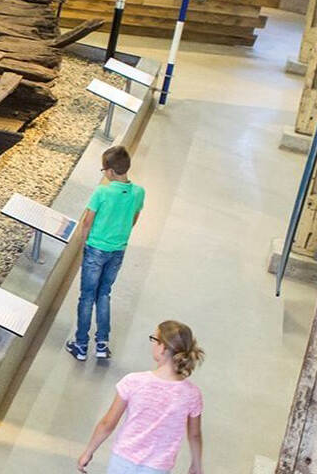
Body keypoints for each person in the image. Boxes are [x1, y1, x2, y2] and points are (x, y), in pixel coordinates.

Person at [77, 320, 205, 474]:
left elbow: (108, 423)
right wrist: (196, 465)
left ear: (163, 347)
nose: (152, 344)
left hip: (122, 461)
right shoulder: (192, 394)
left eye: (154, 339)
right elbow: (194, 434)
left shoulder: (134, 382)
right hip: (157, 467)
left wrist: (89, 451)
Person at [66, 146, 144, 361]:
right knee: (104, 293)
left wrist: (84, 239)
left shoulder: (102, 191)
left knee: (87, 296)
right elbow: (133, 220)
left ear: (109, 171)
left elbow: (88, 220)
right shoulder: (138, 192)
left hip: (95, 249)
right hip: (118, 250)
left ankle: (81, 344)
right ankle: (102, 343)